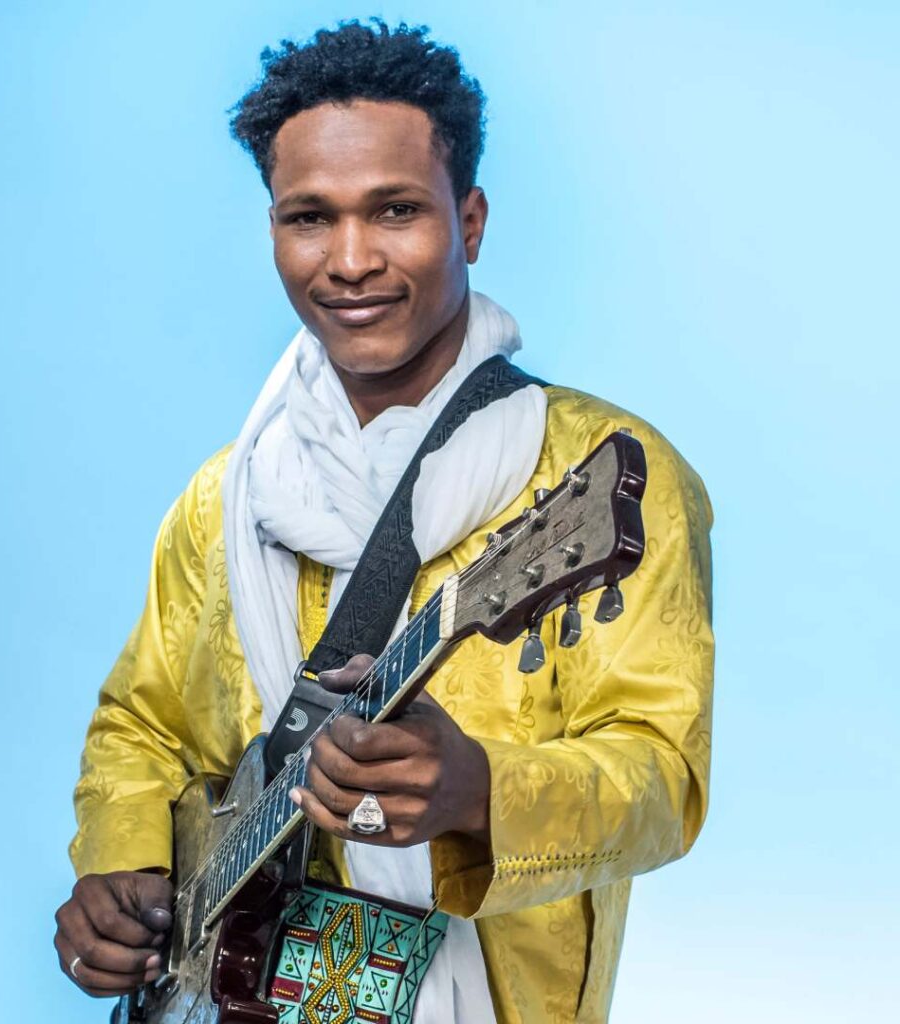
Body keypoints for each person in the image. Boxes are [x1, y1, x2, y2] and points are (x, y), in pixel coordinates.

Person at [53, 19, 714, 1024]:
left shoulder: (598, 470)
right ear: (273, 229)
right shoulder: (226, 497)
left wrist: (478, 789)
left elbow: (663, 778)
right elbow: (142, 726)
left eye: (396, 210)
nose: (351, 259)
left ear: (470, 221)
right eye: (310, 218)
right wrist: (124, 865)